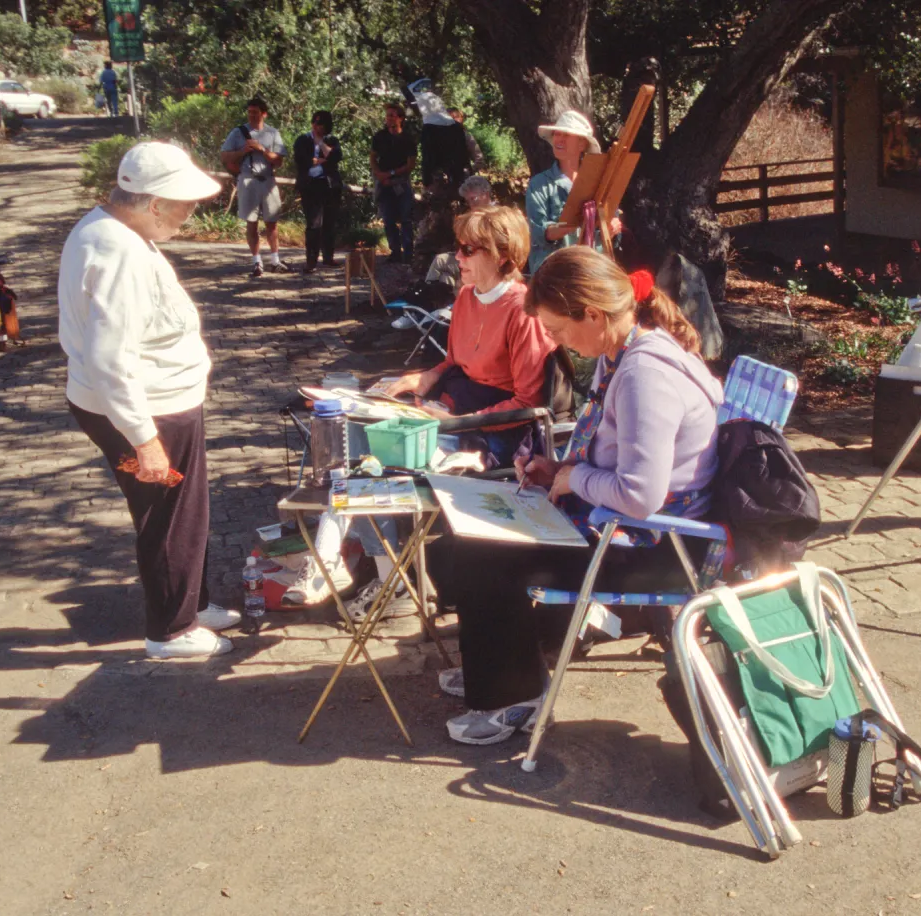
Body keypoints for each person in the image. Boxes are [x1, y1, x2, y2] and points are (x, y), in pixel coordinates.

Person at [425, 246, 723, 745]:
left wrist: (572, 479)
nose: (557, 342)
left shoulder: (645, 375)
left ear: (592, 314)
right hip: (624, 528)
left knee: (485, 556)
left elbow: (641, 494)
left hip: (654, 547)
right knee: (464, 542)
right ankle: (499, 663)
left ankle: (514, 697)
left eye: (559, 330)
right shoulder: (624, 353)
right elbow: (620, 460)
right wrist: (559, 470)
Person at [287, 206, 557, 616]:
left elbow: (528, 403)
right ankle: (380, 572)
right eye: (458, 247)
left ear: (502, 255)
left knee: (373, 460)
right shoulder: (466, 296)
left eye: (468, 249)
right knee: (353, 433)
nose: (457, 257)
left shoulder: (524, 311)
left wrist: (455, 422)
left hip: (494, 433)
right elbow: (454, 362)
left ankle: (354, 566)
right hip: (451, 411)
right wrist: (424, 377)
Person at [58, 142, 240, 659]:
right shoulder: (120, 252)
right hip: (149, 408)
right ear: (154, 203)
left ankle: (189, 603)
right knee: (168, 516)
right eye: (184, 205)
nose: (190, 215)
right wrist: (144, 439)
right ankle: (171, 630)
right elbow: (110, 359)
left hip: (158, 401)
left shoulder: (109, 229)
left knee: (184, 512)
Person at [524, 110, 620, 274]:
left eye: (566, 135)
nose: (559, 139)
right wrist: (573, 222)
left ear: (582, 144)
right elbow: (538, 234)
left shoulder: (600, 183)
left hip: (592, 270)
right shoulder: (539, 184)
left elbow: (611, 229)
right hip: (553, 273)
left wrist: (612, 228)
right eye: (557, 134)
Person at [221, 96, 289, 277]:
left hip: (268, 180)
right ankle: (256, 262)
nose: (251, 115)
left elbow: (279, 161)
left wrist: (262, 150)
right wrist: (241, 152)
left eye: (255, 112)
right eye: (249, 112)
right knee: (251, 223)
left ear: (264, 114)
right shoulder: (238, 133)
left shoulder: (272, 133)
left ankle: (275, 261)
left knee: (272, 222)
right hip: (248, 180)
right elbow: (225, 157)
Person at [294, 109, 343, 274]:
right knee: (314, 224)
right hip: (310, 185)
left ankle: (328, 257)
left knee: (330, 222)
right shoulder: (303, 140)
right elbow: (300, 159)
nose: (316, 126)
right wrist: (318, 161)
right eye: (314, 122)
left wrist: (321, 143)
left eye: (320, 123)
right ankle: (311, 261)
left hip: (329, 185)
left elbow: (336, 157)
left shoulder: (332, 140)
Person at [370, 101, 418, 264]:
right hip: (383, 183)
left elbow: (410, 164)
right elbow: (373, 157)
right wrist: (379, 174)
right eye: (387, 115)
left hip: (401, 182)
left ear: (400, 118)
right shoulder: (379, 137)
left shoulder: (408, 138)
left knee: (405, 219)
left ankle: (408, 253)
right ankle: (395, 252)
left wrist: (391, 173)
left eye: (392, 115)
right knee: (388, 220)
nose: (389, 118)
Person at [448, 108, 485, 172]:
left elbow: (479, 160)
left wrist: (467, 171)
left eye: (455, 117)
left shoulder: (467, 137)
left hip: (461, 175)